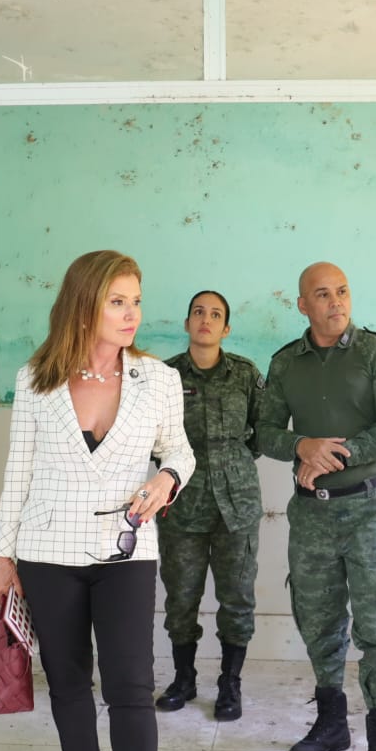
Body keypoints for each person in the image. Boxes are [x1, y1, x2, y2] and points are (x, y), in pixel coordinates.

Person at [0, 250, 196, 751]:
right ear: (84, 305)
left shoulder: (158, 379)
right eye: (117, 301)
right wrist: (2, 555)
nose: (132, 314)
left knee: (131, 688)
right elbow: (18, 471)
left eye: (136, 301)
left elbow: (179, 448)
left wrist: (168, 478)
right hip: (46, 550)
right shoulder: (36, 380)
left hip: (125, 549)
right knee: (69, 682)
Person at [256, 262, 376, 751]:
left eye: (342, 291)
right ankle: (331, 725)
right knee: (319, 622)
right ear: (303, 305)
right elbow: (263, 432)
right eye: (322, 295)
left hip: (369, 509)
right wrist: (301, 446)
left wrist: (334, 455)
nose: (336, 302)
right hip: (312, 515)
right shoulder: (285, 364)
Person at [155, 290, 265, 721]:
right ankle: (184, 679)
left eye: (215, 314)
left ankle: (229, 683)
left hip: (237, 505)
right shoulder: (164, 377)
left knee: (237, 599)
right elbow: (152, 437)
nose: (206, 319)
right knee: (181, 598)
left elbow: (262, 430)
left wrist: (231, 464)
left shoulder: (245, 374)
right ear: (187, 323)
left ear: (226, 328)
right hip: (181, 504)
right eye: (198, 312)